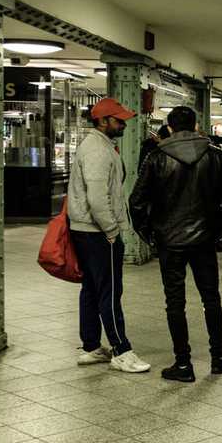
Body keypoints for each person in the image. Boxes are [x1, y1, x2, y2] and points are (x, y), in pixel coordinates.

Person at [129, 106, 222, 382]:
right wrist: (216, 230)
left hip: (170, 241)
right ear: (197, 126)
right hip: (204, 241)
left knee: (175, 302)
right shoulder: (215, 156)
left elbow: (136, 202)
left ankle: (183, 364)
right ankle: (218, 357)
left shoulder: (156, 158)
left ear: (170, 127)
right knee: (211, 298)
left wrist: (150, 235)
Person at [67, 97, 150, 373]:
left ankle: (91, 346)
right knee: (110, 291)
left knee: (91, 288)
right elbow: (97, 197)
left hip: (87, 230)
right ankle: (121, 350)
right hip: (99, 232)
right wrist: (112, 230)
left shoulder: (98, 146)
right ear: (103, 121)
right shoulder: (97, 151)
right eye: (118, 119)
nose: (123, 124)